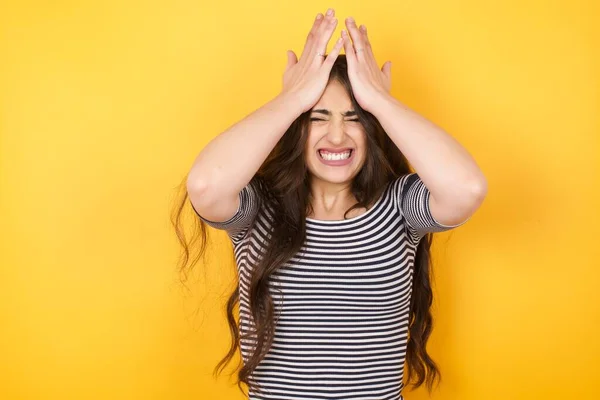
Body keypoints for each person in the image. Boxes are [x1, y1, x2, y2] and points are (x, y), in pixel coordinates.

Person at [174, 7, 487, 400]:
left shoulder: (401, 207)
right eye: (318, 117)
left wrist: (379, 100)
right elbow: (205, 185)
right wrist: (291, 99)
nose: (337, 136)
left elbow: (467, 188)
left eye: (355, 118)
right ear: (295, 128)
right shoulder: (258, 207)